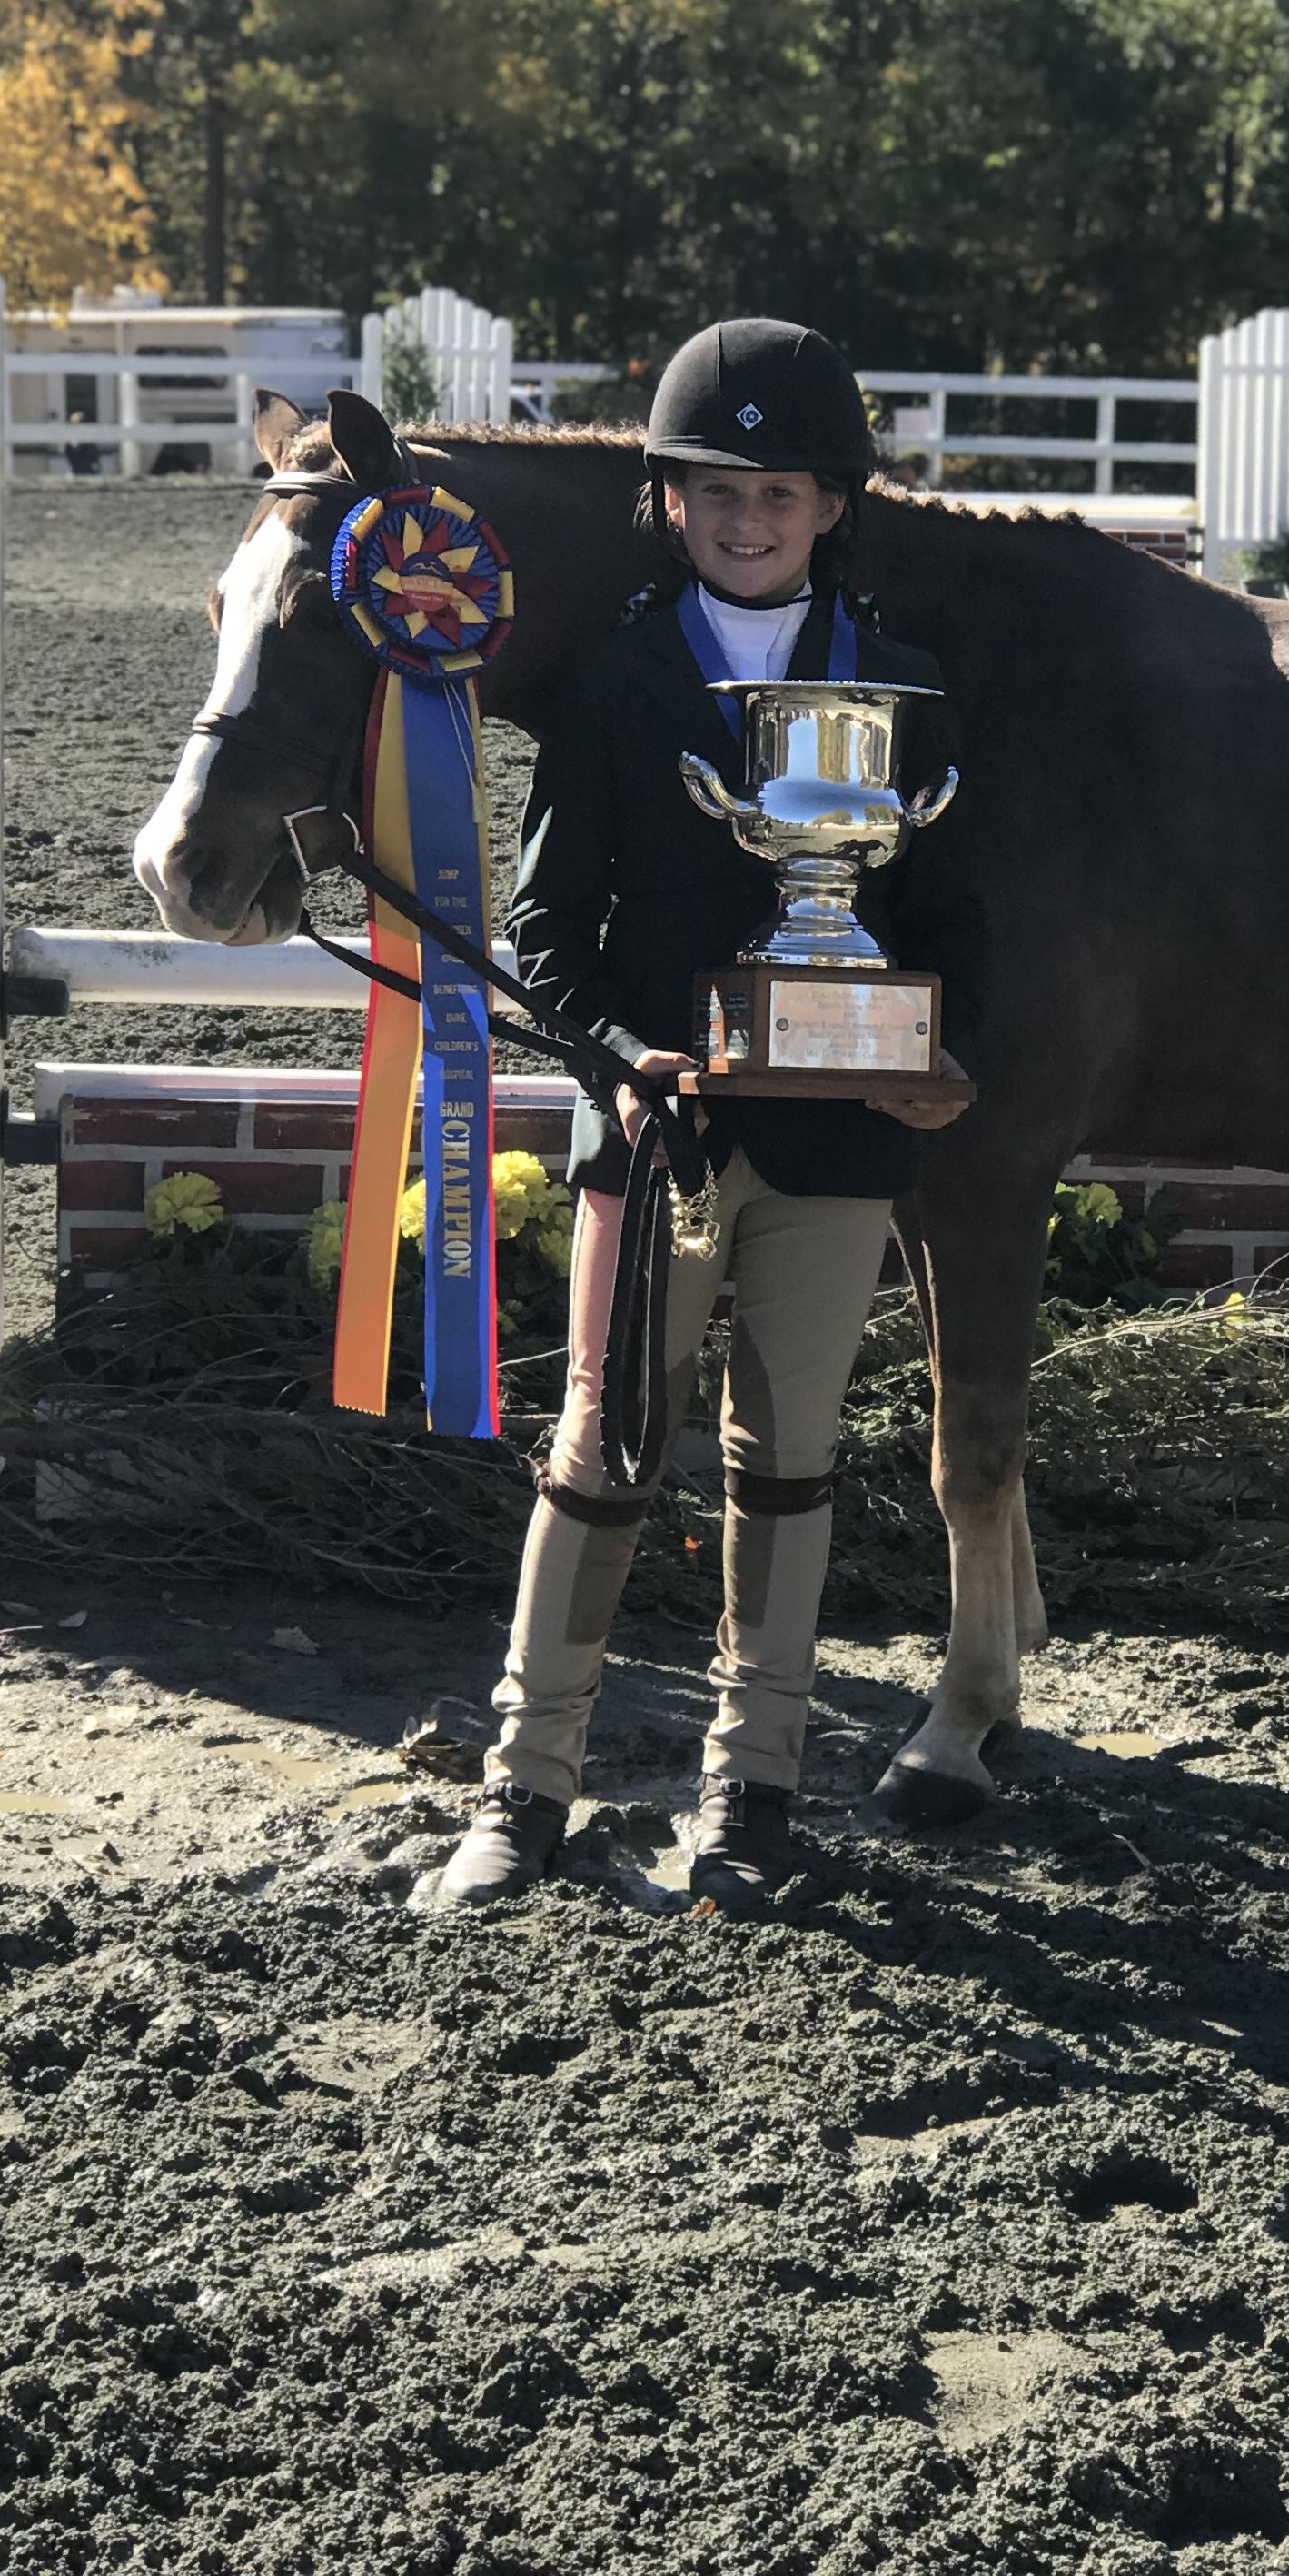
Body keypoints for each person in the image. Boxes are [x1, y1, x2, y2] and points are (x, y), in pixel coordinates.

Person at [434, 317, 977, 1915]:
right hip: (660, 1130)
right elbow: (543, 933)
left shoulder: (902, 687)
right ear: (670, 502)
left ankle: (757, 1794)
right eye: (717, 490)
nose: (749, 518)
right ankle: (523, 1793)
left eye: (783, 492)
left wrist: (948, 1057)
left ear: (830, 507)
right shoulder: (613, 675)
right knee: (598, 1455)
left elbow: (957, 916)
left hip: (838, 1142)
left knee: (790, 1463)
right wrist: (622, 1058)